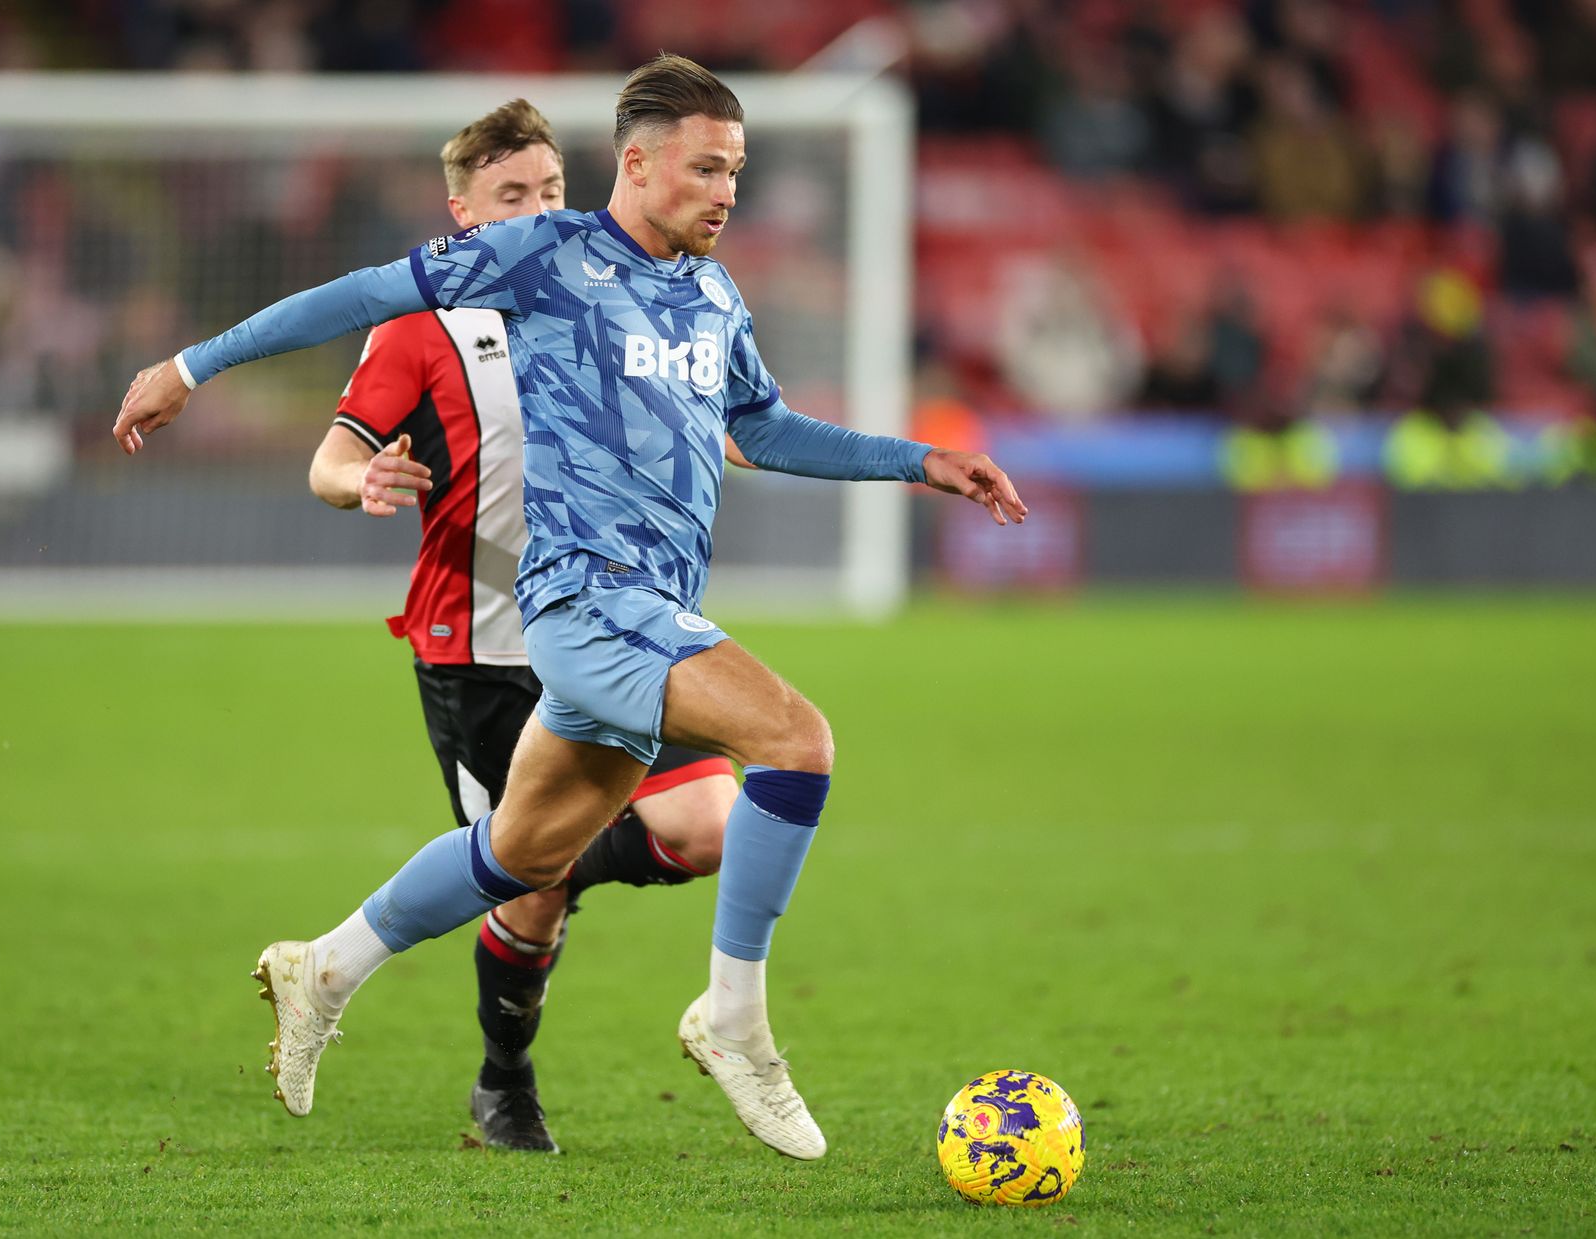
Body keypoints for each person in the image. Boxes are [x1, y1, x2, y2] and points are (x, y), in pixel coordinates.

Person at [114, 54, 1026, 1161]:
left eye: (735, 169)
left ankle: (327, 965)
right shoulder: (548, 255)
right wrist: (190, 365)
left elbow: (768, 430)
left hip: (647, 607)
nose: (725, 190)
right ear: (636, 165)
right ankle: (732, 1017)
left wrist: (921, 460)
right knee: (798, 741)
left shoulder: (713, 293)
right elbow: (362, 294)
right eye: (703, 168)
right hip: (587, 604)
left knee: (520, 854)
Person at [307, 99, 740, 1154]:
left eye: (550, 190)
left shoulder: (603, 297)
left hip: (615, 630)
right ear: (460, 213)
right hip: (479, 655)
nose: (538, 211)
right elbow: (328, 460)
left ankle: (533, 858)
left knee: (712, 825)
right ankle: (504, 1082)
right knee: (534, 897)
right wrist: (358, 476)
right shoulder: (420, 327)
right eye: (512, 196)